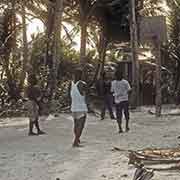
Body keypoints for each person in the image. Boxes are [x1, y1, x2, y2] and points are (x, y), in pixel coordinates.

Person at [69, 69, 88, 147]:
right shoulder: (82, 84)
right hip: (81, 107)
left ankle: (77, 139)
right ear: (81, 75)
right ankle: (76, 141)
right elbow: (86, 95)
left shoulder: (71, 84)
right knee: (81, 125)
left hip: (73, 107)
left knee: (76, 124)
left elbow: (69, 95)